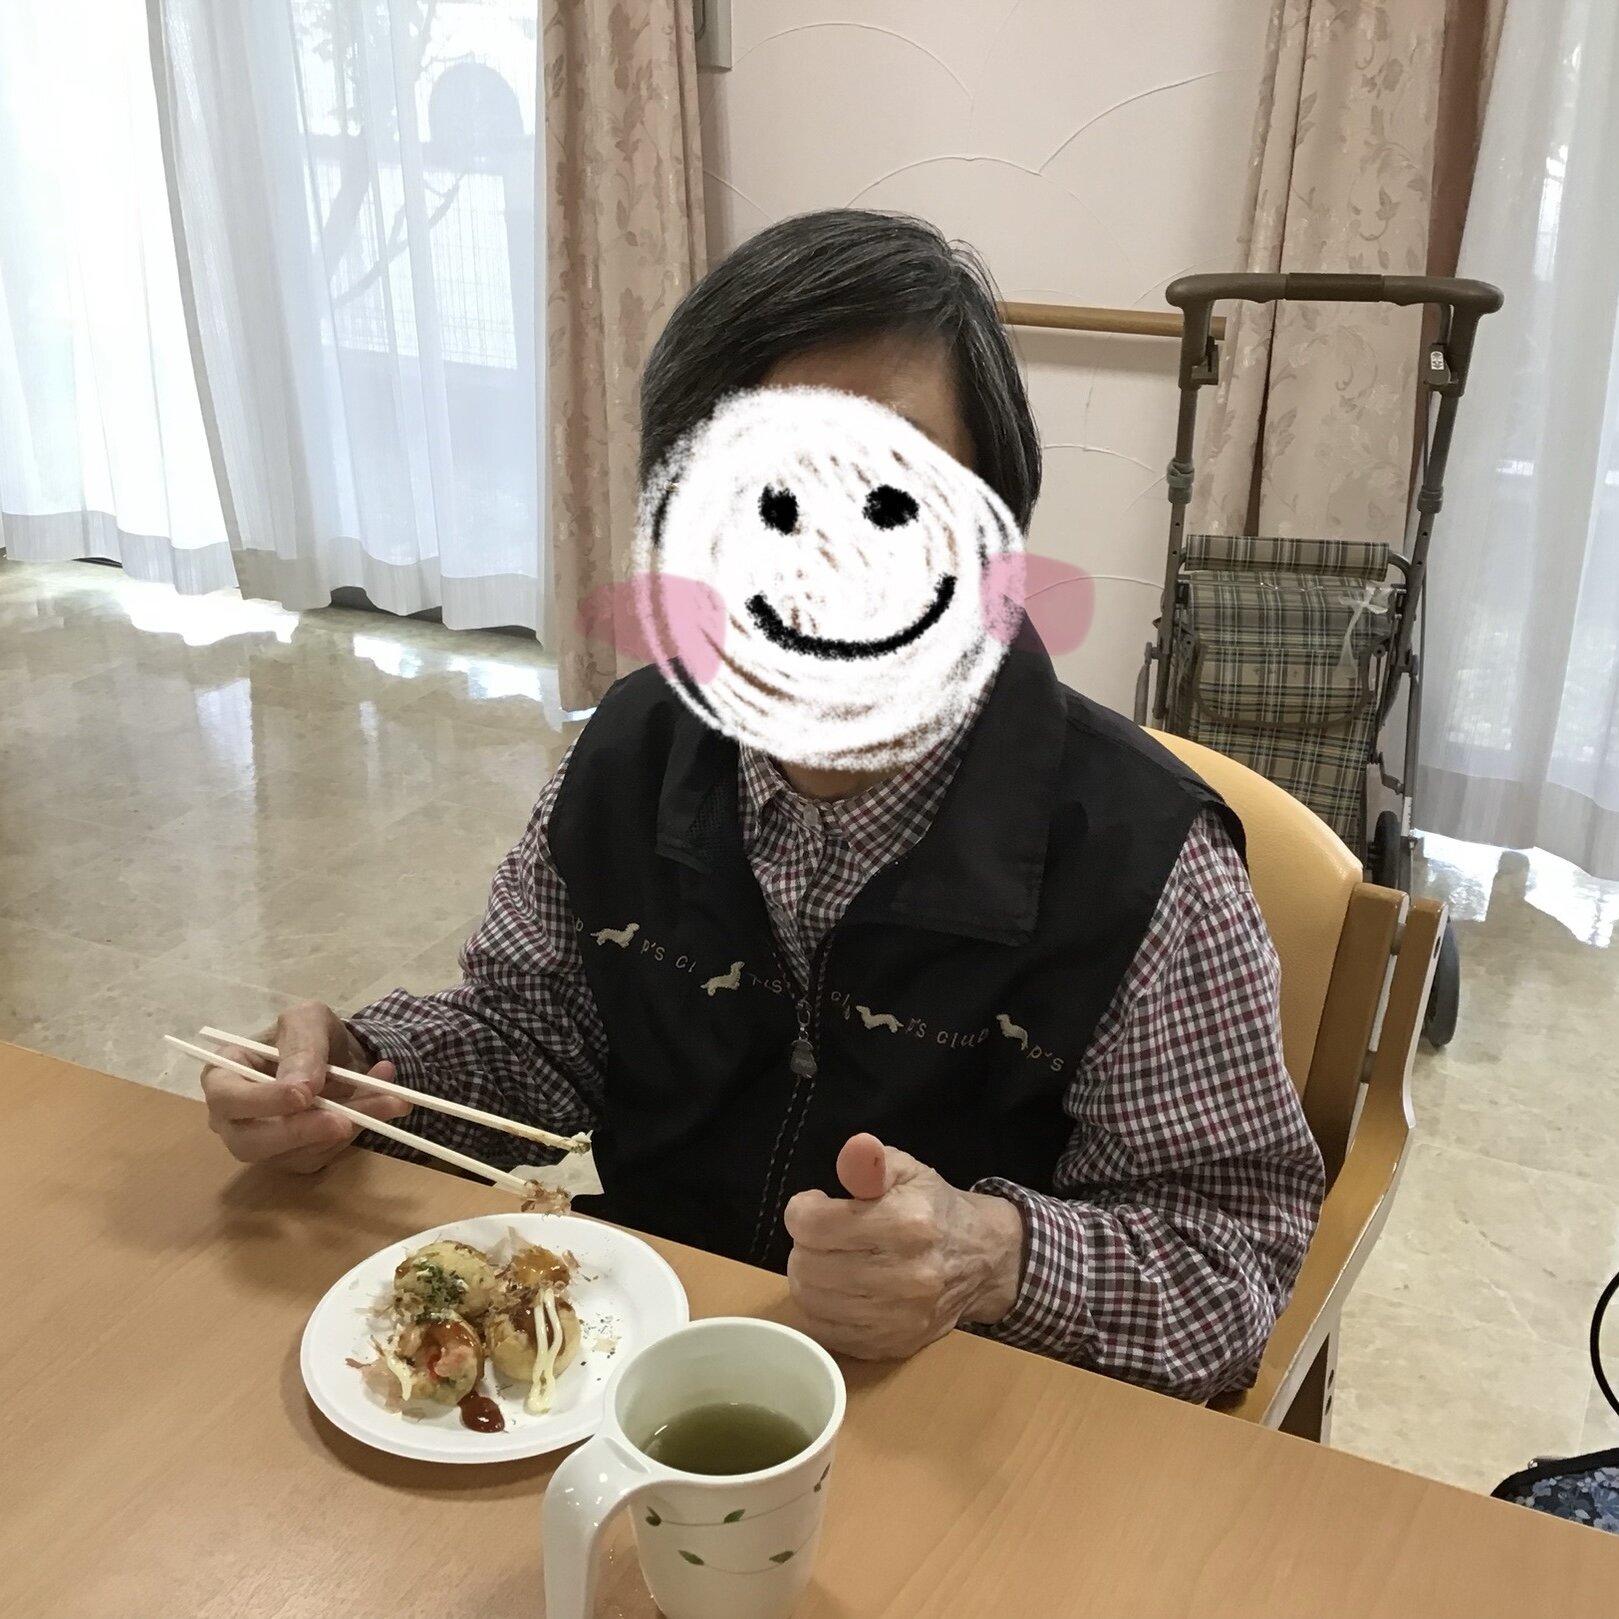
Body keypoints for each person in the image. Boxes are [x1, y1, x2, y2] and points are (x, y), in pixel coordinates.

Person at [202, 209, 1324, 1403]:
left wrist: (992, 1258)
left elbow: (1231, 1255)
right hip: (646, 1367)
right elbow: (532, 1037)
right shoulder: (632, 749)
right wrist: (364, 1074)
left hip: (958, 1411)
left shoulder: (1141, 859)